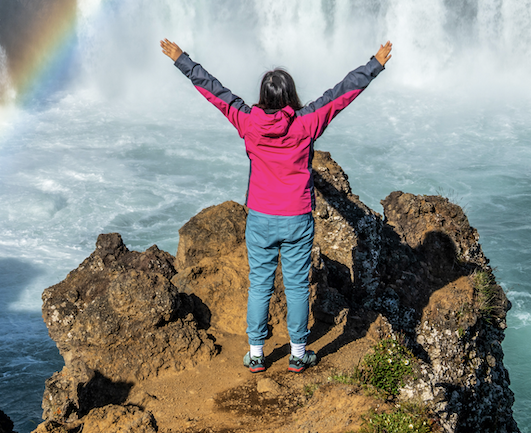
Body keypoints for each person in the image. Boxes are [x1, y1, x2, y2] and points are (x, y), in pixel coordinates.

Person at [160, 38, 392, 374]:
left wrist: (182, 60)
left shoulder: (248, 121)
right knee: (297, 286)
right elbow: (342, 93)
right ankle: (298, 354)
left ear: (264, 96)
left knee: (260, 284)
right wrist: (375, 64)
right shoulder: (306, 123)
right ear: (290, 96)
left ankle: (256, 355)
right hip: (297, 217)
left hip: (261, 218)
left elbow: (214, 91)